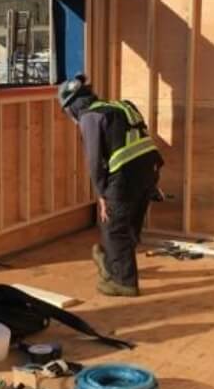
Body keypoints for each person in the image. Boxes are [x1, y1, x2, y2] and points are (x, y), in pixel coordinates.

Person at [58, 74, 163, 297]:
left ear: (72, 107)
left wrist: (102, 195)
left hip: (125, 176)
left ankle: (123, 283)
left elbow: (95, 161)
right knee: (130, 222)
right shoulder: (121, 106)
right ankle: (110, 261)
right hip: (150, 169)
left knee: (114, 228)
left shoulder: (90, 117)